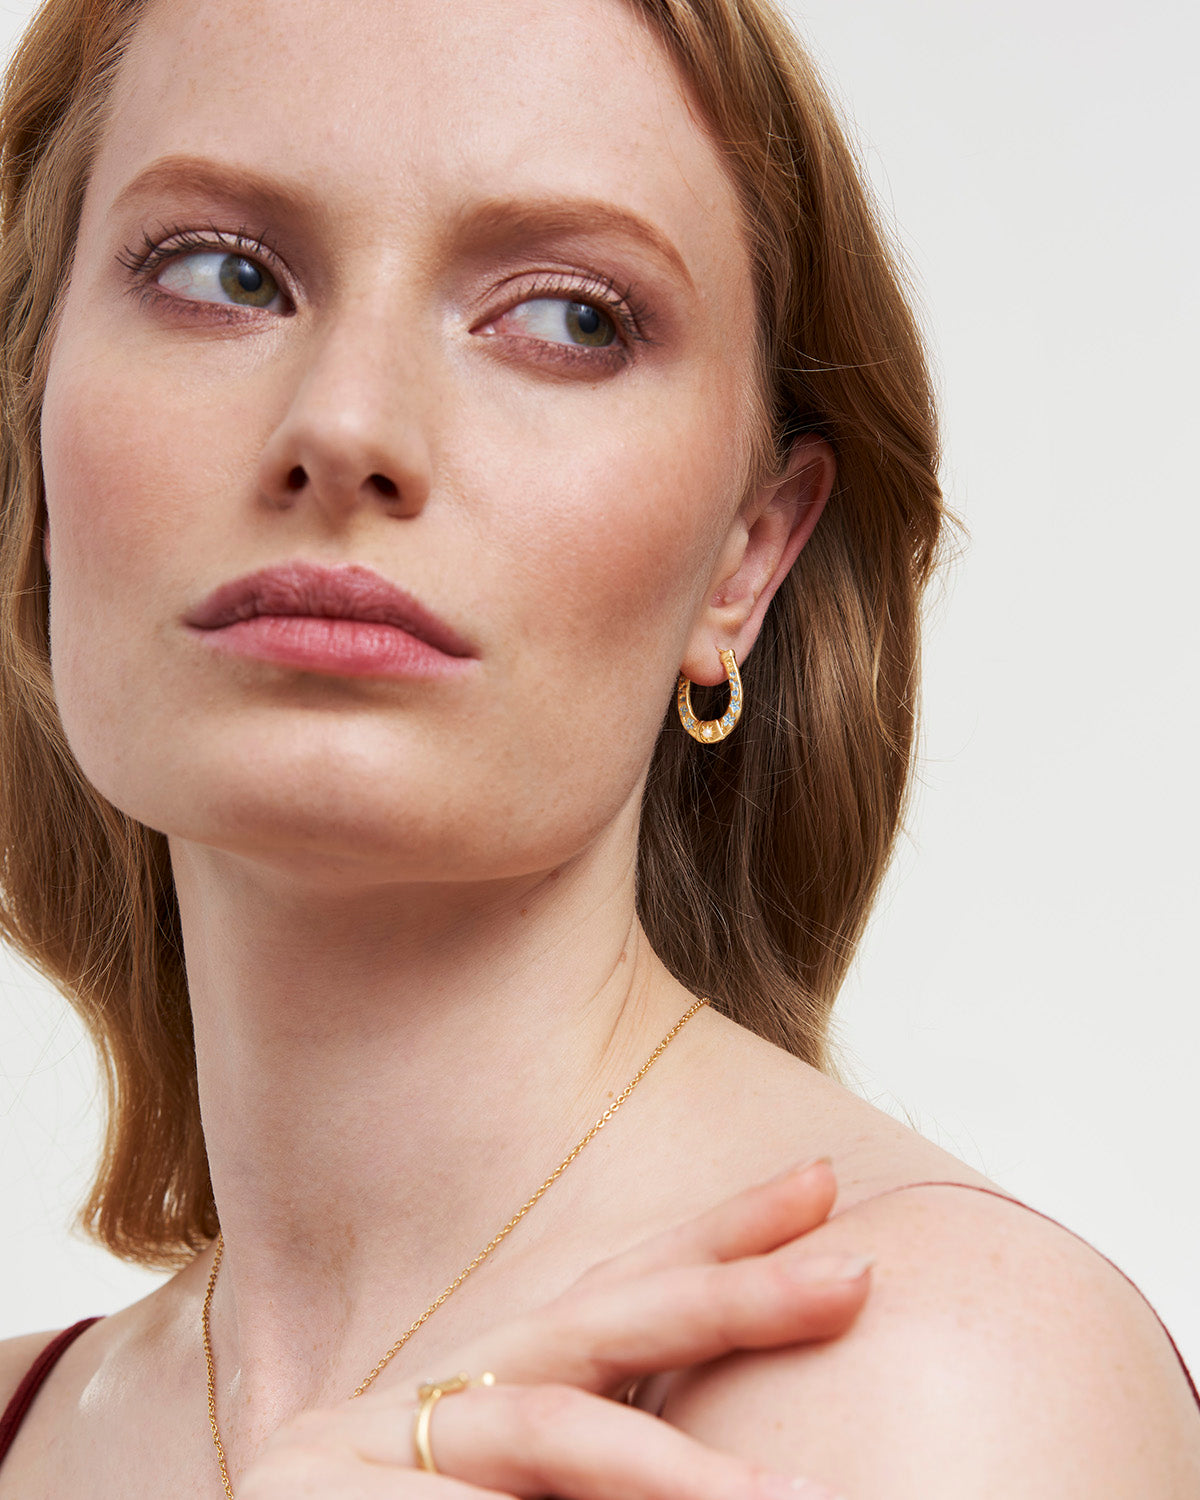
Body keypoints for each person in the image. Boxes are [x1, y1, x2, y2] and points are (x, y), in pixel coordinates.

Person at [0, 0, 1196, 1495]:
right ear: (33, 428)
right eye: (221, 275)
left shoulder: (938, 1389)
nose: (348, 424)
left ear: (747, 560)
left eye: (569, 317)